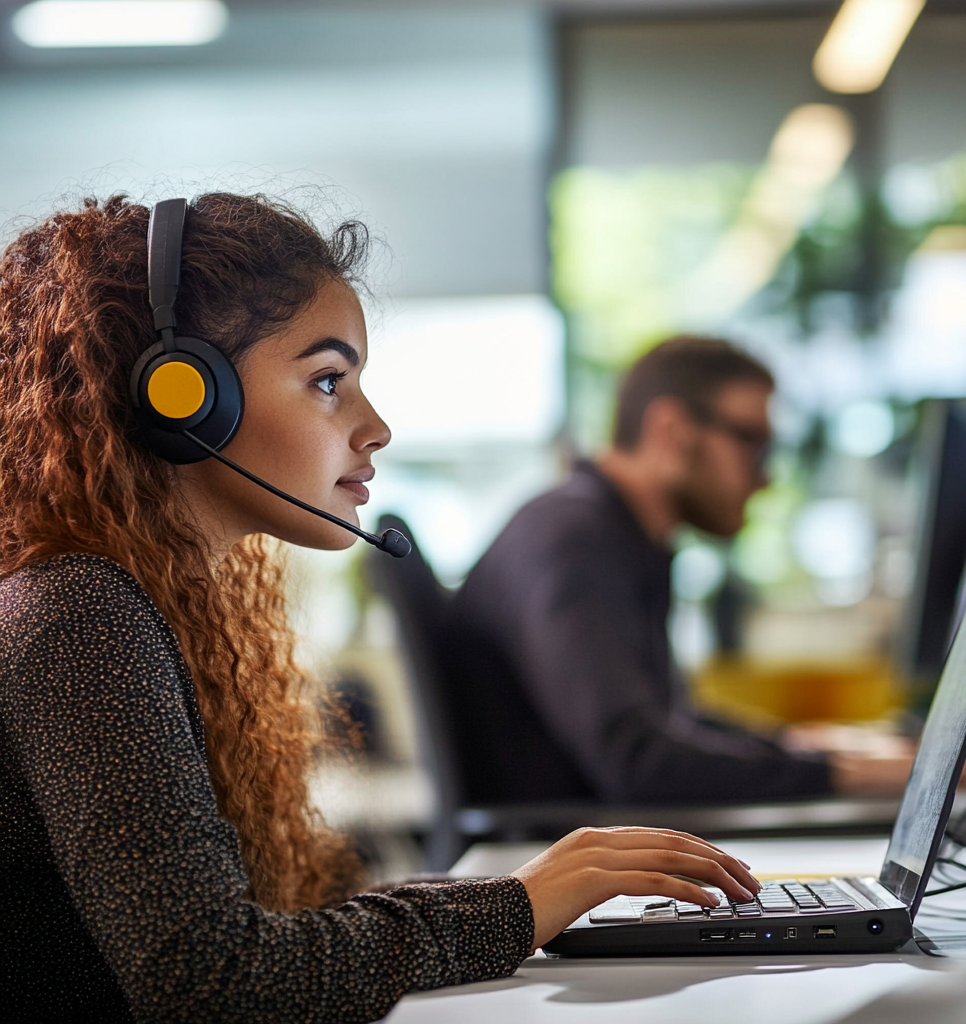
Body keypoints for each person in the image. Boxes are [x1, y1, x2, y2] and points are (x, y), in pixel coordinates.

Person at [0, 194, 760, 1022]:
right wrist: (517, 906)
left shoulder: (157, 605)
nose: (376, 428)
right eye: (328, 381)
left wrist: (523, 892)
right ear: (183, 398)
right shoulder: (80, 615)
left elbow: (259, 930)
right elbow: (210, 981)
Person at [446, 337, 876, 806]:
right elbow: (638, 760)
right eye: (753, 443)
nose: (766, 478)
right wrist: (845, 773)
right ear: (671, 430)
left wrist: (797, 747)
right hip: (554, 849)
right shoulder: (575, 541)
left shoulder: (613, 534)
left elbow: (666, 723)